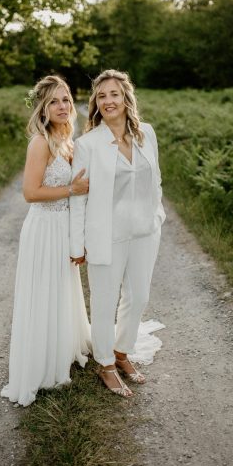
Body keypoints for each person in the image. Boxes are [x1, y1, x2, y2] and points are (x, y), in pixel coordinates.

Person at [70, 70, 166, 398]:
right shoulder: (87, 144)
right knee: (105, 299)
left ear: (126, 98)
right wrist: (77, 243)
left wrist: (158, 214)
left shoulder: (147, 134)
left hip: (145, 231)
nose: (108, 101)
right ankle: (106, 364)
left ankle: (123, 353)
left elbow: (156, 180)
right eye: (101, 96)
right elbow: (79, 198)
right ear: (95, 103)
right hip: (106, 235)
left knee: (138, 296)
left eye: (114, 94)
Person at [1, 75, 91, 407]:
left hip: (63, 228)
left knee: (61, 290)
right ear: (42, 107)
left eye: (66, 99)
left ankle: (62, 349)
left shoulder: (68, 140)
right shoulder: (40, 142)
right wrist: (72, 189)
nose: (63, 106)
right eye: (54, 101)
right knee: (43, 293)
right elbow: (30, 193)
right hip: (43, 230)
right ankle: (40, 364)